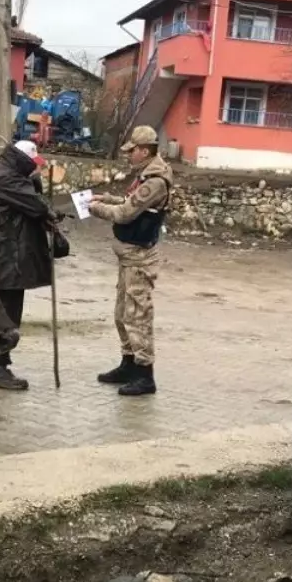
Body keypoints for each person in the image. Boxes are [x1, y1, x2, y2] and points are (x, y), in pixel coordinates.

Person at [0, 139, 57, 390]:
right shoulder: (9, 179)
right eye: (33, 164)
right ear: (24, 160)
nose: (35, 169)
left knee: (0, 308)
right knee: (8, 313)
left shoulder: (3, 174)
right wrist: (41, 194)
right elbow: (38, 207)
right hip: (7, 256)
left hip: (1, 253)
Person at [88, 125, 173, 396]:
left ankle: (145, 374)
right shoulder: (146, 175)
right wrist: (107, 197)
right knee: (122, 314)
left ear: (144, 150)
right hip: (128, 256)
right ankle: (128, 363)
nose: (128, 155)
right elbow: (131, 202)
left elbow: (126, 213)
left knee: (138, 316)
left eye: (132, 151)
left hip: (139, 257)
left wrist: (96, 208)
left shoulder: (156, 181)